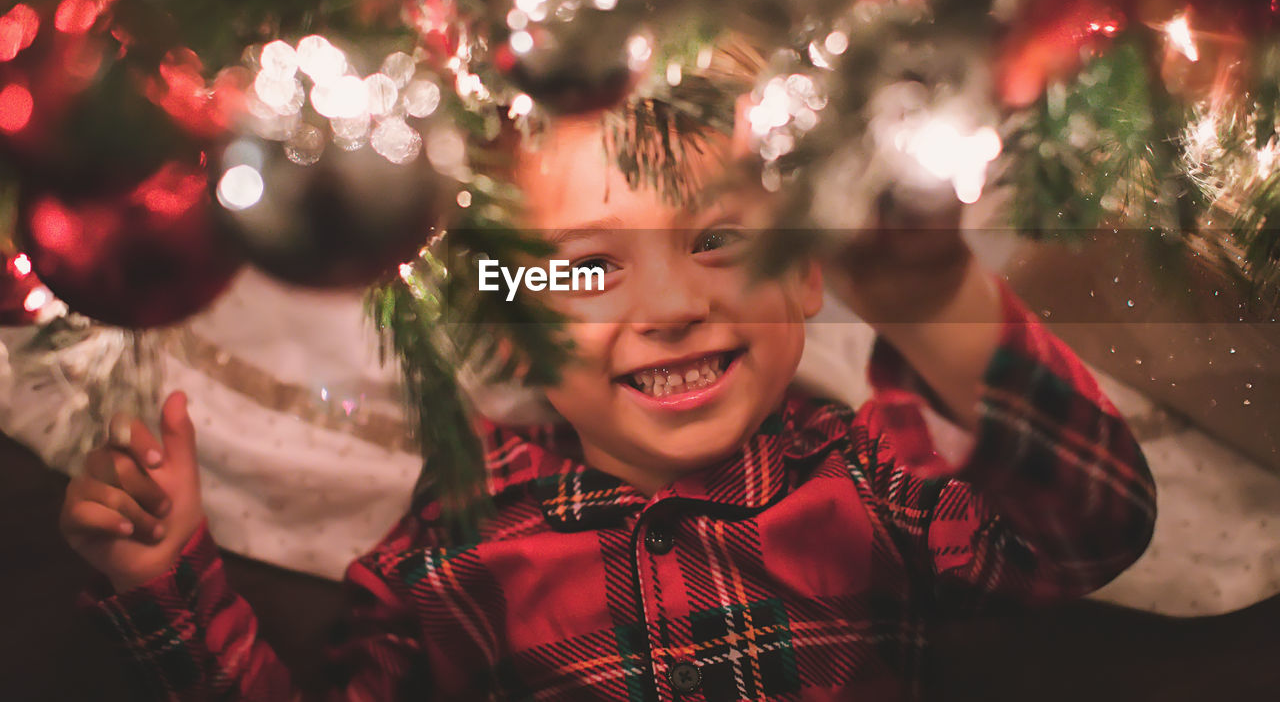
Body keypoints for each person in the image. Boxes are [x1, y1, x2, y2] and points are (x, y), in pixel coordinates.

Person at [59, 103, 1157, 700]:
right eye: (588, 268)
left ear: (806, 275)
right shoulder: (446, 547)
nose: (673, 304)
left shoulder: (870, 476)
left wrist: (939, 302)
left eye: (718, 240)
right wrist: (165, 585)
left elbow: (1089, 524)